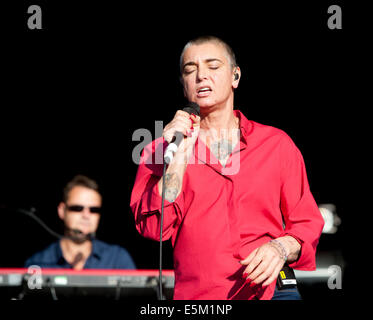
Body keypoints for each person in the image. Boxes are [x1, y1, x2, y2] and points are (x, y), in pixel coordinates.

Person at [130, 36, 324, 300]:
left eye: (213, 66)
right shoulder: (158, 151)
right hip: (202, 297)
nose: (201, 76)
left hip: (270, 292)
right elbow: (154, 227)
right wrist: (179, 155)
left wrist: (280, 247)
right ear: (183, 84)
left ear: (235, 77)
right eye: (190, 70)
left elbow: (306, 223)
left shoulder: (276, 144)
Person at [25, 175, 136, 270]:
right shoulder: (37, 263)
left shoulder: (117, 259)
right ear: (62, 211)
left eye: (94, 210)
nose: (86, 215)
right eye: (77, 208)